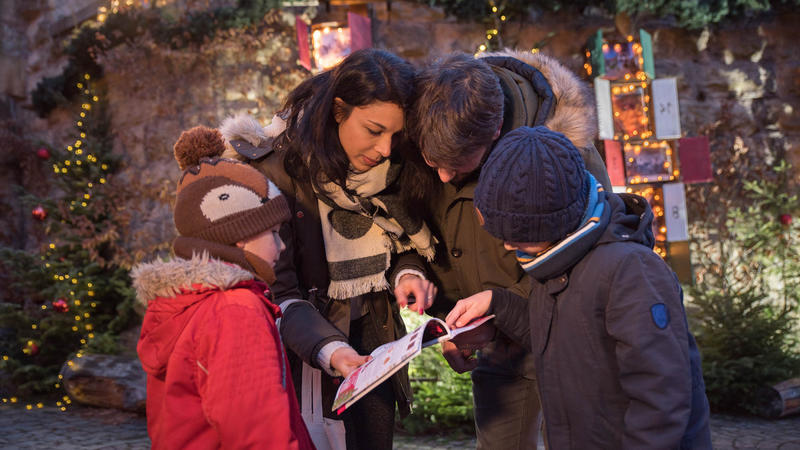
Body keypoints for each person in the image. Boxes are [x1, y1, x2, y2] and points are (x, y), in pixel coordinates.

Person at [219, 48, 438, 450]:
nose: (386, 149)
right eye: (374, 130)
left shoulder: (390, 167)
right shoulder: (273, 171)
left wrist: (408, 273)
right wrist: (331, 349)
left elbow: (399, 237)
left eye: (395, 135)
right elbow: (276, 293)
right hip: (305, 353)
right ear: (338, 110)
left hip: (376, 345)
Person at [447, 126, 713, 449]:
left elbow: (662, 398)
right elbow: (563, 338)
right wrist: (498, 305)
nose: (505, 244)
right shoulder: (556, 258)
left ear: (554, 221)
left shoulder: (630, 271)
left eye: (516, 234)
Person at [410, 50, 613, 449]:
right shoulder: (436, 133)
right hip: (497, 352)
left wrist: (502, 306)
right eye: (433, 162)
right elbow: (424, 236)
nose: (444, 177)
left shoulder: (567, 158)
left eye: (457, 165)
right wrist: (451, 320)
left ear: (495, 130)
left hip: (567, 348)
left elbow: (595, 269)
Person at [132, 126, 314, 449]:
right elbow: (258, 433)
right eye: (273, 233)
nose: (281, 247)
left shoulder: (195, 303)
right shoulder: (236, 310)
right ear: (239, 236)